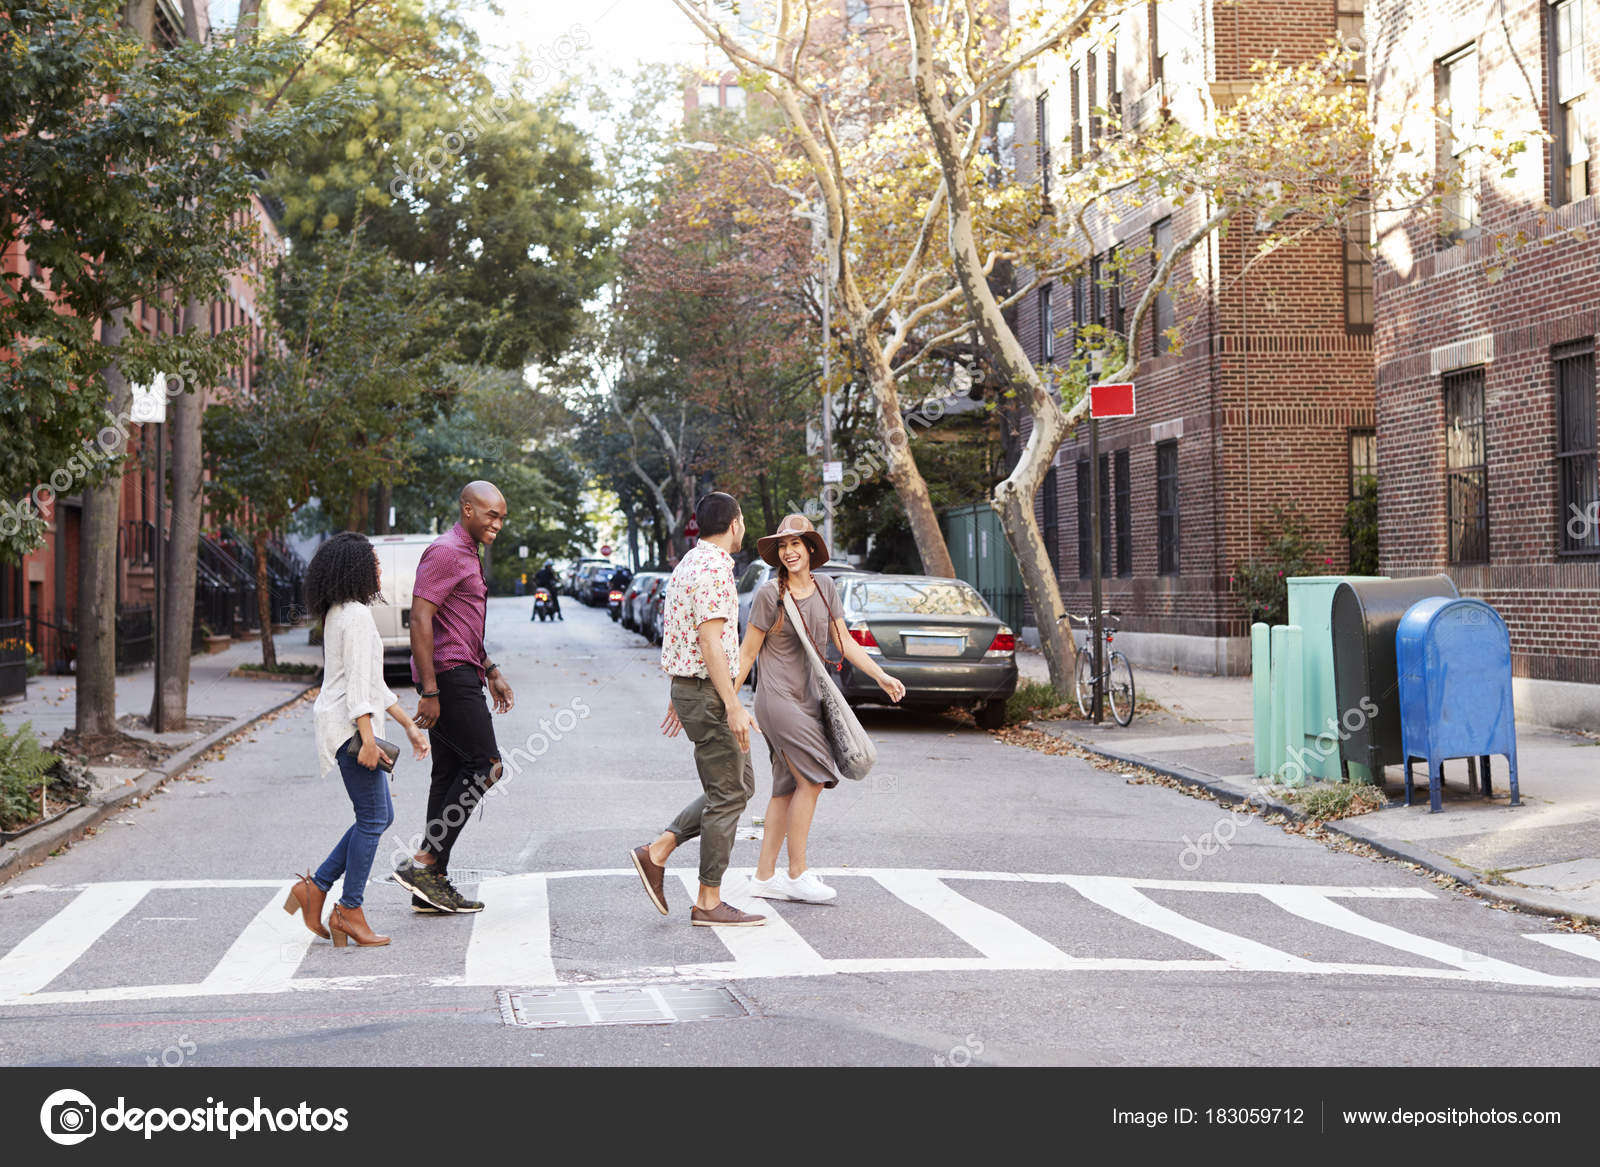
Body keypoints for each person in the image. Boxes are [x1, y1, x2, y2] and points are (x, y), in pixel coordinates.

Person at [734, 515, 905, 904]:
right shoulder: (769, 595)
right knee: (813, 779)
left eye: (796, 544)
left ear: (811, 548)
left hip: (810, 698)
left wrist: (880, 676)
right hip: (777, 701)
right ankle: (797, 873)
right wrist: (731, 704)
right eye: (783, 545)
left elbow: (842, 640)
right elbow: (747, 653)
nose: (789, 551)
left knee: (785, 788)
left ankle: (763, 877)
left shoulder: (826, 587)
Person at [629, 492, 767, 927]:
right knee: (729, 793)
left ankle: (660, 850)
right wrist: (732, 705)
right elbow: (708, 640)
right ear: (735, 523)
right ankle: (708, 901)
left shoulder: (690, 563)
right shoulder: (712, 570)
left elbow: (683, 633)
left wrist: (680, 689)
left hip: (696, 689)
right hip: (709, 694)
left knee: (738, 785)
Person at [285, 533, 429, 948]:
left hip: (344, 725)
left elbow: (370, 683)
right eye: (374, 562)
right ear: (356, 568)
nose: (380, 569)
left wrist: (408, 725)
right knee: (372, 818)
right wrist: (368, 739)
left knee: (380, 816)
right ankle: (348, 909)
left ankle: (317, 887)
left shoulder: (340, 612)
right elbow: (359, 695)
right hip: (351, 731)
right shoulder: (357, 617)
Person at [391, 481, 516, 915]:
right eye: (491, 515)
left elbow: (460, 625)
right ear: (467, 509)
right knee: (486, 765)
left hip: (463, 670)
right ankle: (426, 860)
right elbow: (420, 618)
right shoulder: (445, 551)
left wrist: (492, 670)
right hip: (448, 676)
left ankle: (431, 885)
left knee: (448, 774)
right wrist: (430, 690)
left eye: (502, 516)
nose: (498, 523)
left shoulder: (468, 554)